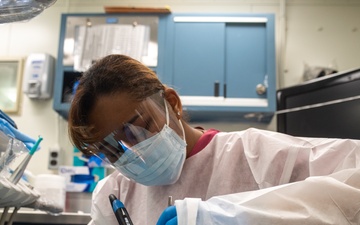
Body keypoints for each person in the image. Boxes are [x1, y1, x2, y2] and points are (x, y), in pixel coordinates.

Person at [68, 54, 360, 225]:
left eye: (138, 129)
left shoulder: (259, 157)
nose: (132, 152)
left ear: (173, 103)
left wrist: (236, 216)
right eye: (111, 149)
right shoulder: (116, 192)